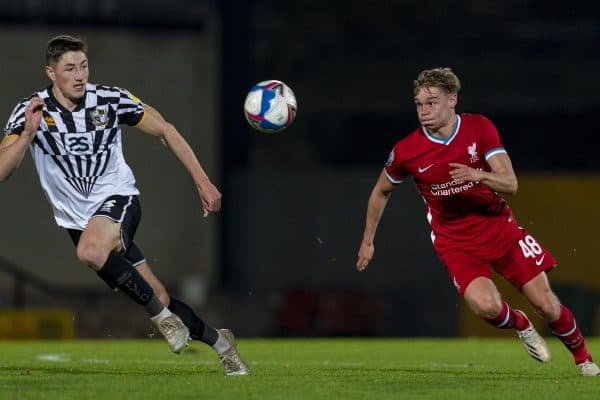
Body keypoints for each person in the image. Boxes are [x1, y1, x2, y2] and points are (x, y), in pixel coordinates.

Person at [1, 34, 249, 376]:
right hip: (79, 222)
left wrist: (202, 180)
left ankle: (163, 322)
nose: (79, 75)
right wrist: (27, 135)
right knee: (157, 294)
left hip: (118, 200)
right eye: (69, 68)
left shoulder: (110, 99)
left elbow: (166, 130)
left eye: (83, 66)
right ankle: (221, 343)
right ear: (50, 73)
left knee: (90, 251)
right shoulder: (32, 110)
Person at [356, 67, 599, 377]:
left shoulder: (479, 128)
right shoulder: (407, 151)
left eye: (431, 102)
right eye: (418, 104)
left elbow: (510, 183)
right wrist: (367, 240)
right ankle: (520, 323)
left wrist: (479, 175)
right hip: (456, 242)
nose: (423, 110)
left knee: (547, 304)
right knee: (486, 306)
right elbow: (381, 191)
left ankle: (584, 359)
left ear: (452, 99)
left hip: (500, 229)